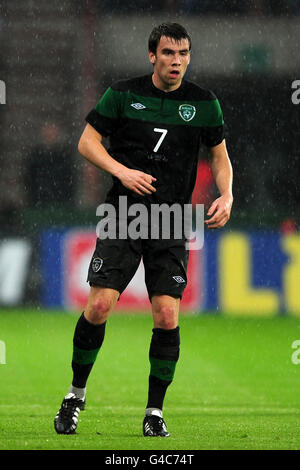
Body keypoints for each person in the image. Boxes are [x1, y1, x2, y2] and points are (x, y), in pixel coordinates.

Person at [54, 22, 233, 437]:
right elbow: (87, 142)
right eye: (168, 53)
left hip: (171, 219)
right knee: (99, 306)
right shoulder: (123, 94)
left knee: (167, 314)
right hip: (123, 214)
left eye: (183, 53)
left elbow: (220, 156)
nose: (177, 61)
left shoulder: (204, 104)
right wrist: (122, 171)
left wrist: (227, 195)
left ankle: (154, 412)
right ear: (152, 55)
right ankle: (75, 395)